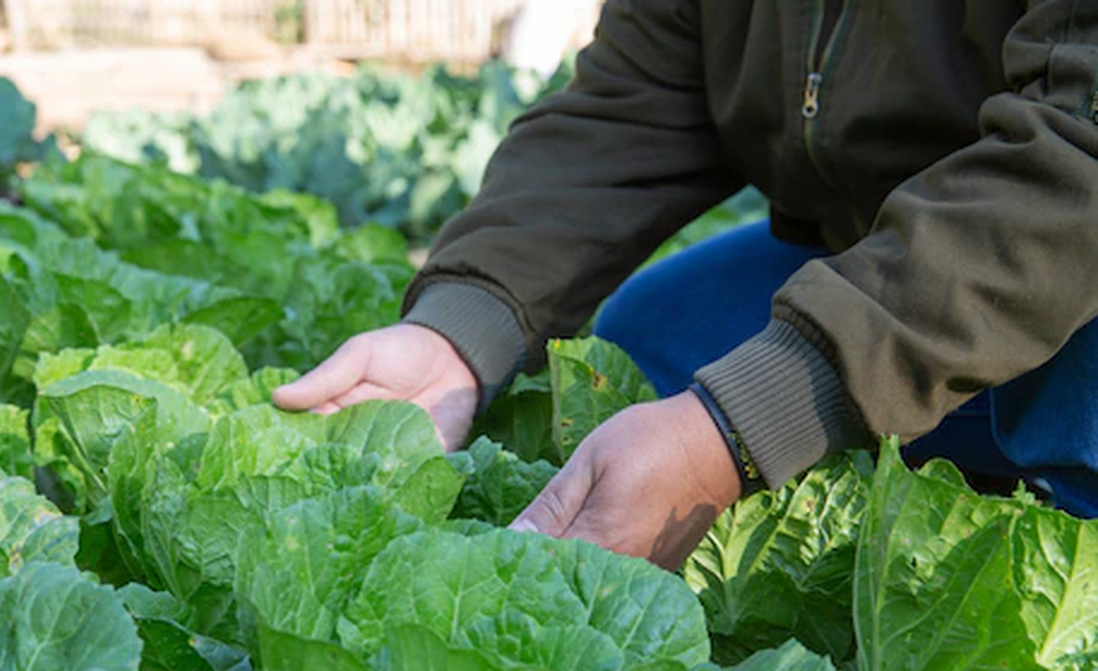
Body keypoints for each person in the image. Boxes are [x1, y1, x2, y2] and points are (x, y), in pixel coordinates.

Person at [273, 1, 1098, 570]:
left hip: (1065, 248)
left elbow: (1075, 161)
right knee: (648, 346)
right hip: (903, 254)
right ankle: (943, 471)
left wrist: (743, 424)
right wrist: (460, 328)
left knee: (1076, 384)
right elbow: (636, 99)